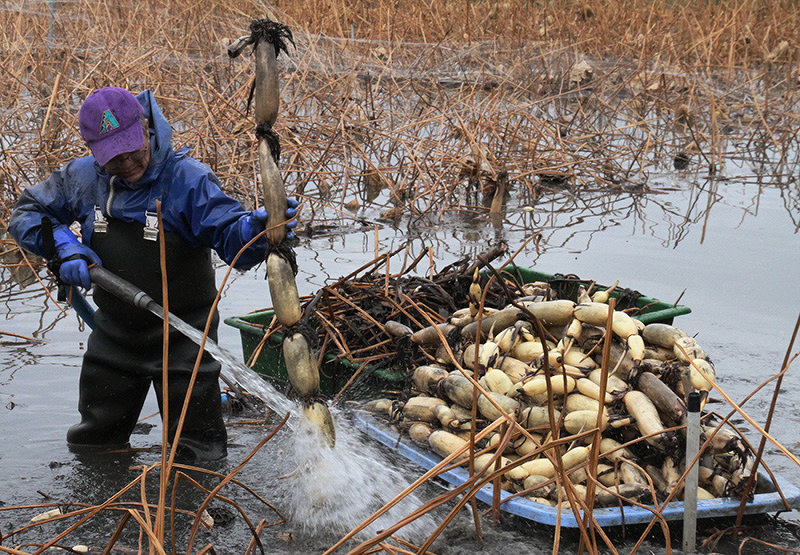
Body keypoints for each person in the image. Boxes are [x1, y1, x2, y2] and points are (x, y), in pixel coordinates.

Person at [8, 86, 296, 463]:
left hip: (183, 336)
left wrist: (253, 233)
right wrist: (63, 245)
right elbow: (27, 214)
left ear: (145, 127)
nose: (126, 164)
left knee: (199, 453)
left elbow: (229, 239)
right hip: (114, 334)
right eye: (114, 159)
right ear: (94, 151)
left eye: (133, 151)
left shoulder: (188, 180)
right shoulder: (81, 178)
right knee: (93, 445)